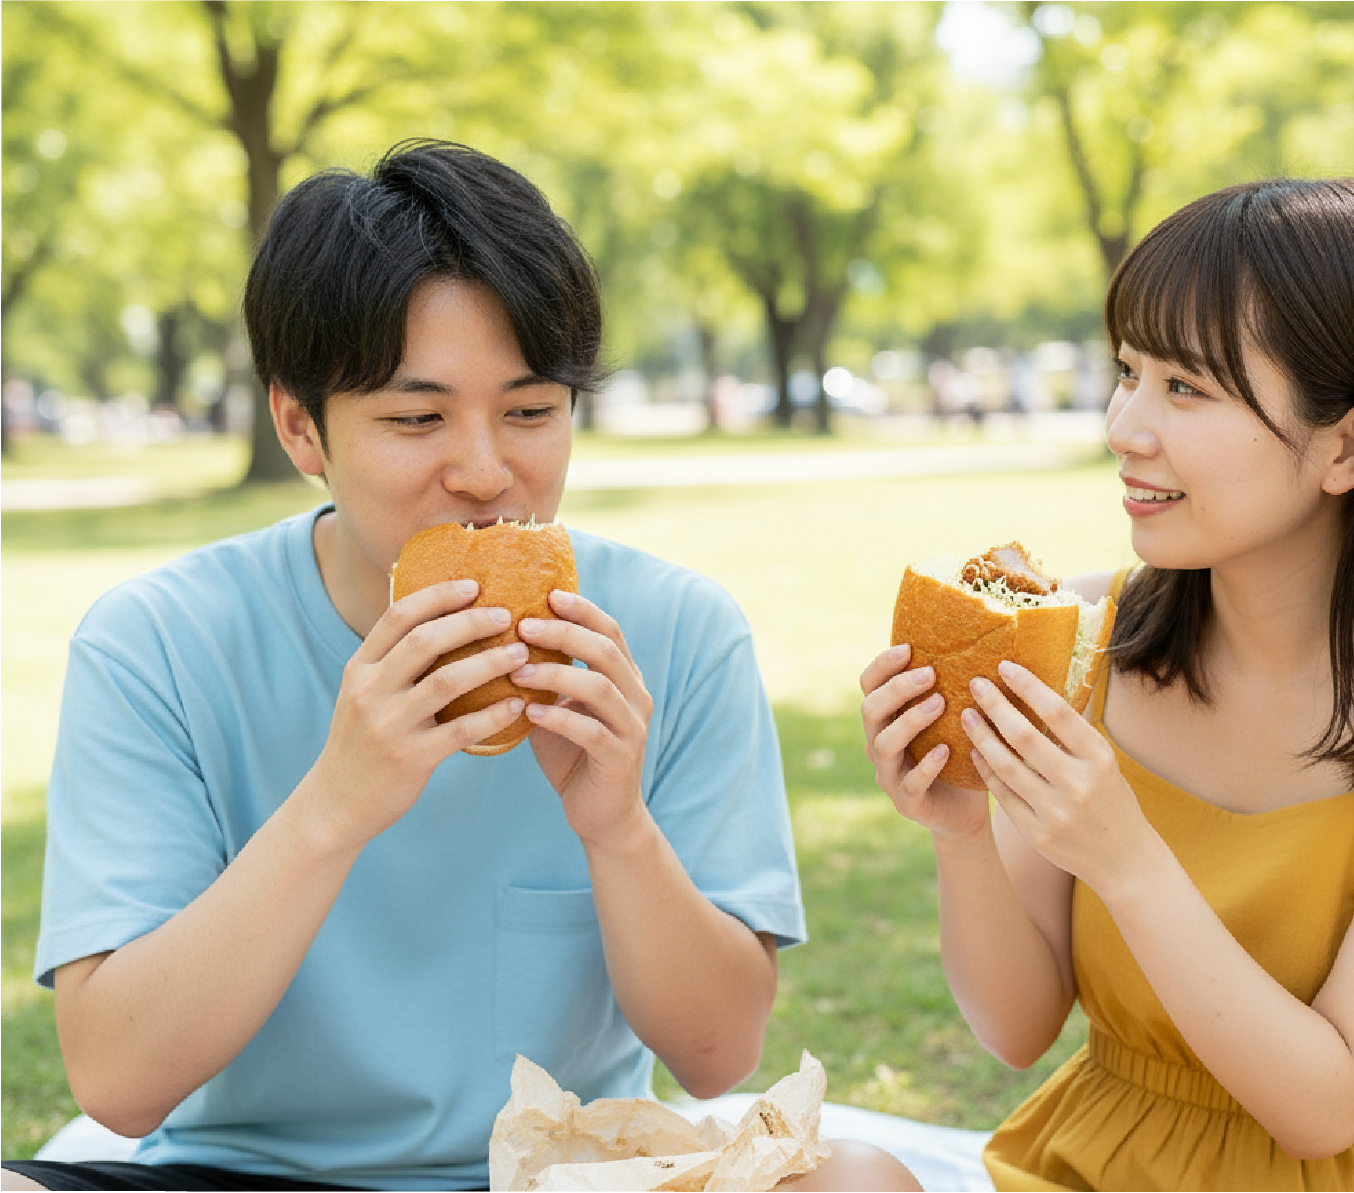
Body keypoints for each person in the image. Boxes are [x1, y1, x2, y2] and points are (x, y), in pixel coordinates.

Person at [6, 141, 917, 1193]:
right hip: (239, 1175)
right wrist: (333, 807)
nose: (488, 474)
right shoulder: (155, 642)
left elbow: (717, 1055)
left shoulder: (676, 631)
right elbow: (117, 1079)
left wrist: (615, 826)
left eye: (530, 411)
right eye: (415, 417)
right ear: (300, 425)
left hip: (563, 1174)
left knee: (860, 1178)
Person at [861, 178, 1354, 1191]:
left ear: (1349, 444)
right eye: (1126, 372)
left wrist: (1125, 855)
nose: (1123, 426)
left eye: (1184, 388)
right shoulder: (1080, 633)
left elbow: (1323, 1104)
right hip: (1098, 1160)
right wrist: (959, 825)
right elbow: (1016, 1026)